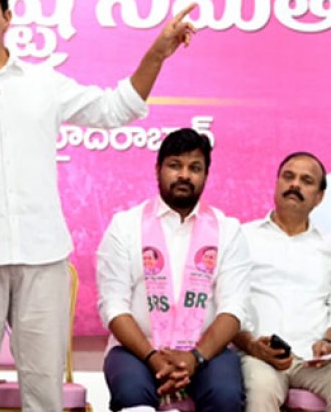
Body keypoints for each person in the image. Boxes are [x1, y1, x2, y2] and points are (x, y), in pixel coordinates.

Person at [0, 0, 196, 411]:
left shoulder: (42, 81)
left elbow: (114, 109)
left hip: (41, 255)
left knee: (45, 391)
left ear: (7, 17)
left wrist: (157, 54)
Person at [96, 128, 250, 412]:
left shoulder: (228, 230)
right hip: (137, 350)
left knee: (225, 394)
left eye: (195, 168)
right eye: (175, 165)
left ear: (206, 175)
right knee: (131, 391)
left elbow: (233, 309)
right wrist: (153, 357)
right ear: (158, 169)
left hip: (207, 352)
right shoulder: (125, 226)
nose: (184, 175)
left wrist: (195, 357)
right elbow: (114, 307)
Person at [234, 152, 331, 412]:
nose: (295, 184)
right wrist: (251, 344)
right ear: (276, 184)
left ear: (319, 197)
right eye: (288, 177)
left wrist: (330, 342)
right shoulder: (242, 236)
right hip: (259, 354)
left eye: (306, 181)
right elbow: (229, 302)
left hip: (315, 357)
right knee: (260, 388)